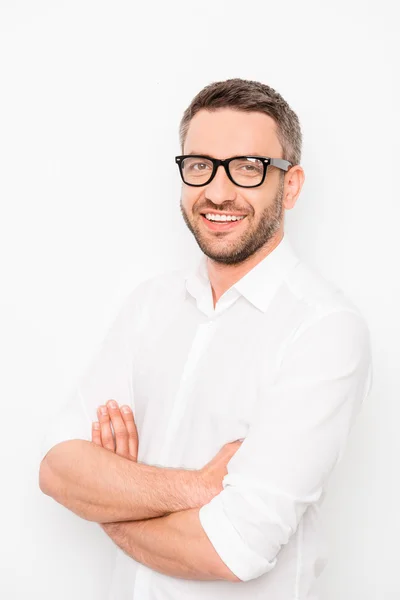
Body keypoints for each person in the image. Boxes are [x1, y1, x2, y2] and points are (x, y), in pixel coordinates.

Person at [38, 77, 373, 600]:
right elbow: (58, 469)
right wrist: (197, 488)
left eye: (247, 167)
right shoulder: (148, 305)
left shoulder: (325, 329)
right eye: (200, 166)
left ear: (290, 185)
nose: (218, 191)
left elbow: (232, 549)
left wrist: (108, 501)